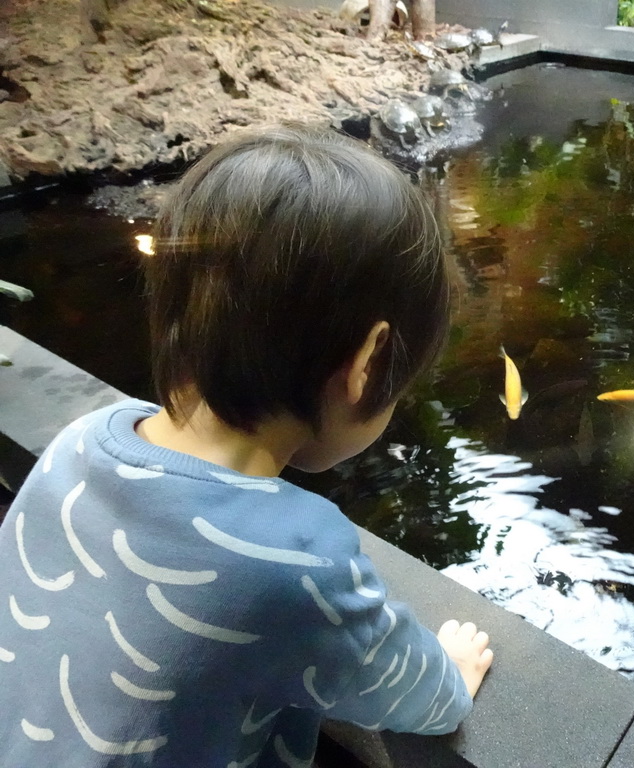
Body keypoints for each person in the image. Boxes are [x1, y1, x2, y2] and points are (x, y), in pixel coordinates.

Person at [0, 124, 493, 767]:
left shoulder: (82, 439)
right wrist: (451, 671)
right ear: (368, 365)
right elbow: (419, 696)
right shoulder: (293, 562)